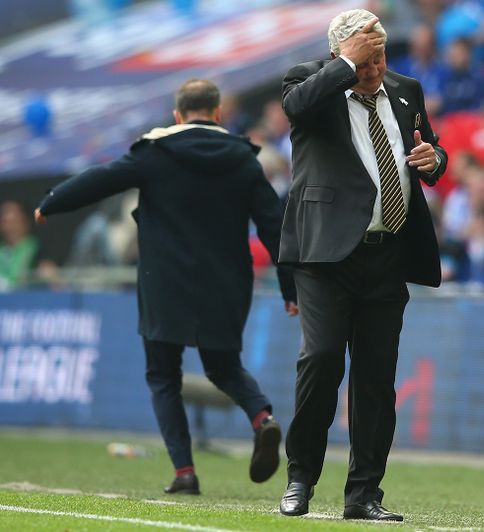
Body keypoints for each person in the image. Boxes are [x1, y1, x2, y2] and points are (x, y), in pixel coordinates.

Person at [34, 79, 297, 495]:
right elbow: (274, 229)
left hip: (164, 283)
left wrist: (51, 202)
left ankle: (184, 473)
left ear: (177, 115)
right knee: (224, 367)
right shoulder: (246, 160)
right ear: (217, 114)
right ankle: (262, 418)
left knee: (162, 375)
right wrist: (290, 290)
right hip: (227, 282)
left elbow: (99, 179)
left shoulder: (154, 154)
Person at [277, 9, 447, 522]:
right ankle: (301, 478)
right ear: (339, 54)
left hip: (386, 252)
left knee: (376, 378)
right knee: (322, 359)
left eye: (380, 56)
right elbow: (297, 109)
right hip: (325, 253)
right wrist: (346, 68)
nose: (375, 67)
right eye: (364, 58)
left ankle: (364, 494)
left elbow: (428, 148)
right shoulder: (309, 81)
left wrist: (434, 160)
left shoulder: (405, 89)